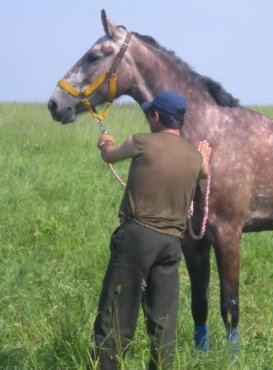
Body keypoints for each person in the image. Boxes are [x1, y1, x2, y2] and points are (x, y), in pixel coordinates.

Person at [92, 91, 211, 370]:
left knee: (116, 314)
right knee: (163, 321)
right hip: (171, 245)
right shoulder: (193, 157)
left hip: (136, 239)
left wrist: (104, 143)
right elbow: (203, 172)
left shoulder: (141, 141)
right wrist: (204, 159)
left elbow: (109, 157)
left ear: (155, 117)